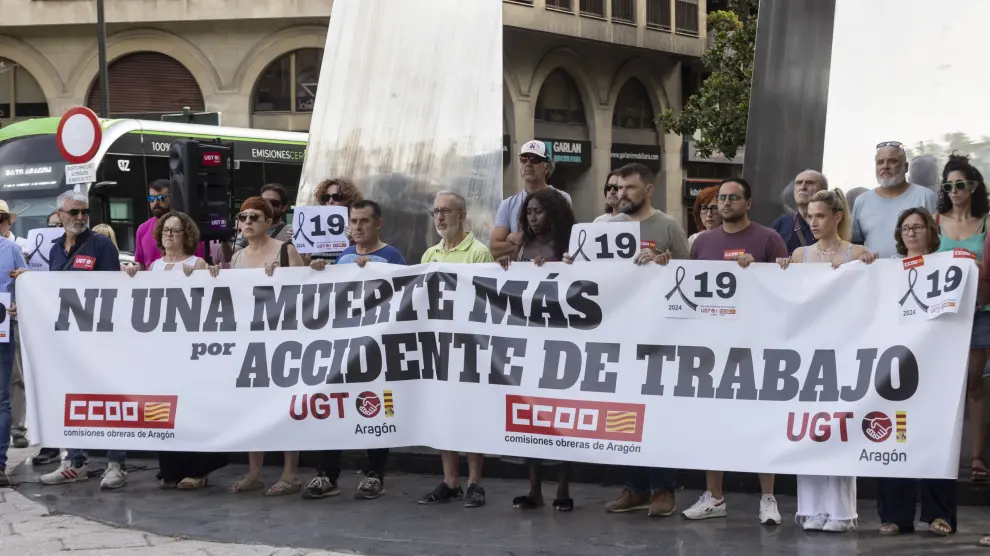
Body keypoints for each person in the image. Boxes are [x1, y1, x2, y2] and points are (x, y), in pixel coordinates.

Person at [566, 164, 687, 518]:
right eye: (618, 188)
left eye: (630, 188)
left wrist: (666, 262)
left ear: (648, 190)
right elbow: (587, 276)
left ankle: (664, 489)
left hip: (656, 337)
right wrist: (570, 264)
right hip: (615, 336)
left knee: (656, 416)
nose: (622, 195)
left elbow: (690, 270)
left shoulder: (666, 226)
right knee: (622, 416)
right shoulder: (601, 228)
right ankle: (634, 488)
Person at [683, 177, 786, 524]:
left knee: (760, 423)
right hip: (713, 347)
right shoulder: (701, 243)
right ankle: (714, 497)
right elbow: (688, 290)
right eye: (721, 199)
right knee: (713, 424)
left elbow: (788, 288)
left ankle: (768, 497)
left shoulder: (768, 239)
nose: (725, 204)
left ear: (748, 202)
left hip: (757, 346)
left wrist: (760, 272)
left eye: (733, 197)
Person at [860, 207, 956, 537]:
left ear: (931, 231)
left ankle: (939, 515)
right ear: (899, 236)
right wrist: (863, 269)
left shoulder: (949, 267)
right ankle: (894, 516)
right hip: (896, 365)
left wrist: (969, 269)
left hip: (937, 363)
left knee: (937, 438)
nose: (911, 233)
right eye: (905, 228)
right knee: (892, 438)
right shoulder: (887, 269)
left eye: (917, 227)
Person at [775, 188, 867, 533]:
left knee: (838, 428)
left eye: (821, 216)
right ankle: (812, 508)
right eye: (810, 216)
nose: (813, 222)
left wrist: (869, 266)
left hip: (843, 351)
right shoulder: (798, 254)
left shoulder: (857, 253)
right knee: (809, 429)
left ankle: (841, 511)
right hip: (807, 352)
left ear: (837, 216)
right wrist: (782, 268)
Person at [23, 191, 124, 488]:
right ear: (60, 215)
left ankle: (116, 463)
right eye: (74, 212)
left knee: (108, 399)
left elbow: (113, 290)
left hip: (99, 336)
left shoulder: (101, 245)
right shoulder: (55, 249)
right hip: (67, 340)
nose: (80, 217)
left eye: (84, 212)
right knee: (71, 399)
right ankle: (75, 462)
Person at [306, 200, 403, 501]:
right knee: (333, 406)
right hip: (343, 348)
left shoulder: (392, 256)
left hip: (377, 349)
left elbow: (403, 296)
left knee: (377, 409)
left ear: (378, 224)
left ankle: (375, 474)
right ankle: (327, 474)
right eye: (354, 221)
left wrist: (374, 272)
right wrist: (320, 270)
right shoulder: (343, 258)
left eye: (364, 221)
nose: (358, 227)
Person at [123, 211, 227, 489]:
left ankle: (198, 469)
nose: (169, 235)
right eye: (165, 230)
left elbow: (208, 303)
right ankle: (170, 468)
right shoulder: (154, 267)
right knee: (164, 410)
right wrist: (132, 274)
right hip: (161, 354)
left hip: (189, 351)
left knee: (191, 409)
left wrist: (207, 276)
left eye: (175, 230)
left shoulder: (198, 263)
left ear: (187, 236)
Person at [496, 188, 576, 512]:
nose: (532, 217)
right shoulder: (522, 246)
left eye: (539, 211)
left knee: (559, 419)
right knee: (530, 420)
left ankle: (563, 489)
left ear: (554, 213)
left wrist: (558, 265)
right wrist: (506, 264)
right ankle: (534, 489)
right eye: (528, 211)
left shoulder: (567, 244)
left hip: (560, 338)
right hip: (528, 338)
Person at [221, 197, 305, 496]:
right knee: (251, 407)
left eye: (254, 217)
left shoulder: (285, 250)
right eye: (242, 217)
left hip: (281, 341)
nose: (246, 222)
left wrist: (282, 278)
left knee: (284, 407)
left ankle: (290, 473)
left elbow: (305, 297)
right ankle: (255, 471)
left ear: (269, 222)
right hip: (250, 341)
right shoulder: (238, 257)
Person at [419, 191, 494, 507]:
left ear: (462, 215)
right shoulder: (429, 254)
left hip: (470, 345)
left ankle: (475, 482)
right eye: (435, 211)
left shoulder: (479, 253)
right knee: (443, 413)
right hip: (439, 347)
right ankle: (450, 481)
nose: (439, 217)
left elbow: (486, 300)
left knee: (472, 414)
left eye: (446, 211)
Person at [936, 154, 990, 484]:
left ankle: (977, 458)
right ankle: (941, 451)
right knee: (943, 386)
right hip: (942, 317)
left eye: (961, 185)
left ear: (972, 187)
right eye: (949, 185)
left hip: (979, 313)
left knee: (975, 385)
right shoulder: (934, 220)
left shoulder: (986, 222)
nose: (955, 191)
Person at [851, 142, 937, 258]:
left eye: (892, 161)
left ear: (905, 167)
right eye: (880, 162)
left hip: (917, 272)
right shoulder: (861, 201)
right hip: (874, 273)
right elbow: (855, 244)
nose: (885, 166)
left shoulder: (926, 197)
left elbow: (937, 241)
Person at [491, 140, 571, 258]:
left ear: (547, 166)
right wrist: (526, 245)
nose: (528, 163)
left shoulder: (561, 198)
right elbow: (495, 249)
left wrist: (514, 240)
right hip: (521, 274)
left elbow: (563, 240)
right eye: (524, 159)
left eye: (534, 159)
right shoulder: (507, 204)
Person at [0, 227, 26, 486]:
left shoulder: (11, 249)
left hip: (3, 331)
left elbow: (25, 282)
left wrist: (20, 300)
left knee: (2, 399)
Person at [133, 179, 205, 270]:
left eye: (161, 198)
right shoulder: (142, 229)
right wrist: (132, 270)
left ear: (173, 198)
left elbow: (202, 262)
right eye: (151, 198)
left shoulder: (187, 226)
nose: (156, 202)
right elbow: (141, 265)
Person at [771, 170, 826, 254]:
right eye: (799, 183)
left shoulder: (832, 223)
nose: (802, 187)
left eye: (810, 183)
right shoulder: (781, 224)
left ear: (823, 190)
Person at [235, 183, 291, 251]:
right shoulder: (251, 228)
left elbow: (303, 260)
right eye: (264, 202)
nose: (268, 206)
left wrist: (294, 245)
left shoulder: (291, 232)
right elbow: (232, 254)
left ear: (284, 207)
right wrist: (224, 240)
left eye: (274, 203)